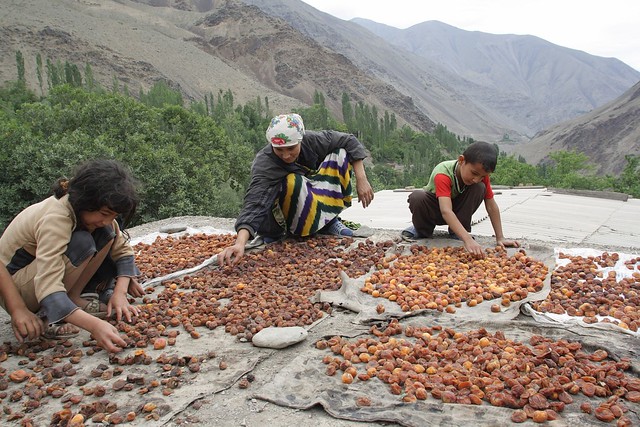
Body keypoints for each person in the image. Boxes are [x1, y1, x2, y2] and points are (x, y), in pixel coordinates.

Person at [0, 159, 143, 352]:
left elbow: (122, 250)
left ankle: (72, 299)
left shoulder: (94, 215)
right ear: (85, 201)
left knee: (107, 233)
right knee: (82, 243)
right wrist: (18, 309)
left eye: (113, 215)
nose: (107, 220)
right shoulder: (56, 218)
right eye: (104, 213)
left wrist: (120, 291)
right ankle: (48, 314)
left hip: (39, 279)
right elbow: (47, 286)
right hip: (16, 287)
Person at [219, 113, 374, 267]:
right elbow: (254, 202)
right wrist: (240, 243)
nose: (286, 155)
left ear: (300, 139)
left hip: (311, 195)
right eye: (279, 150)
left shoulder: (312, 141)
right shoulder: (265, 164)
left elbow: (349, 140)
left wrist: (361, 178)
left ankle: (328, 222)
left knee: (340, 154)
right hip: (283, 220)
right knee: (293, 181)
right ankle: (296, 230)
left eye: (291, 148)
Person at [403, 141, 519, 256]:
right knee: (418, 197)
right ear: (461, 160)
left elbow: (491, 206)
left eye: (482, 176)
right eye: (474, 173)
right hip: (436, 210)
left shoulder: (480, 177)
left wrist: (500, 237)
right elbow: (446, 211)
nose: (476, 179)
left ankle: (458, 232)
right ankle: (421, 229)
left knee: (479, 187)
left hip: (458, 212)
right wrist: (468, 239)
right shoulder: (443, 173)